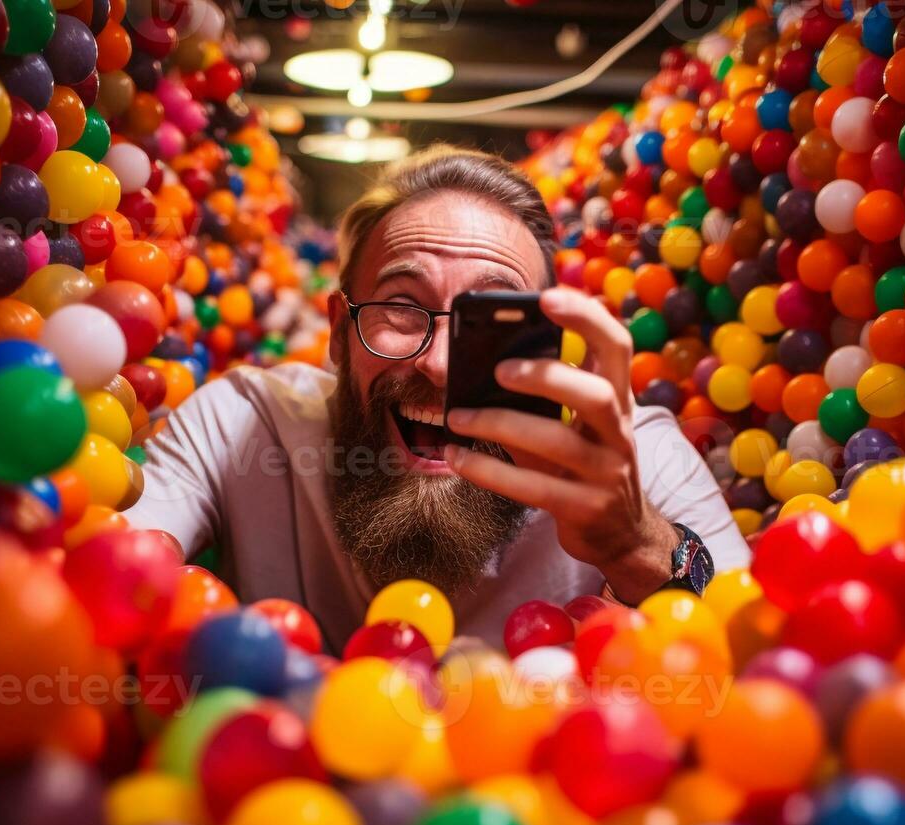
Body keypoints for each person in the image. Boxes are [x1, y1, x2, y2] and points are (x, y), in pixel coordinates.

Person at [125, 145, 748, 652]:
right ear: (340, 333)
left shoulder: (624, 457)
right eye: (400, 306)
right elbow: (107, 572)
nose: (441, 363)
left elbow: (761, 655)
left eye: (490, 320)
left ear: (550, 345)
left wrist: (634, 543)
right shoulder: (242, 425)